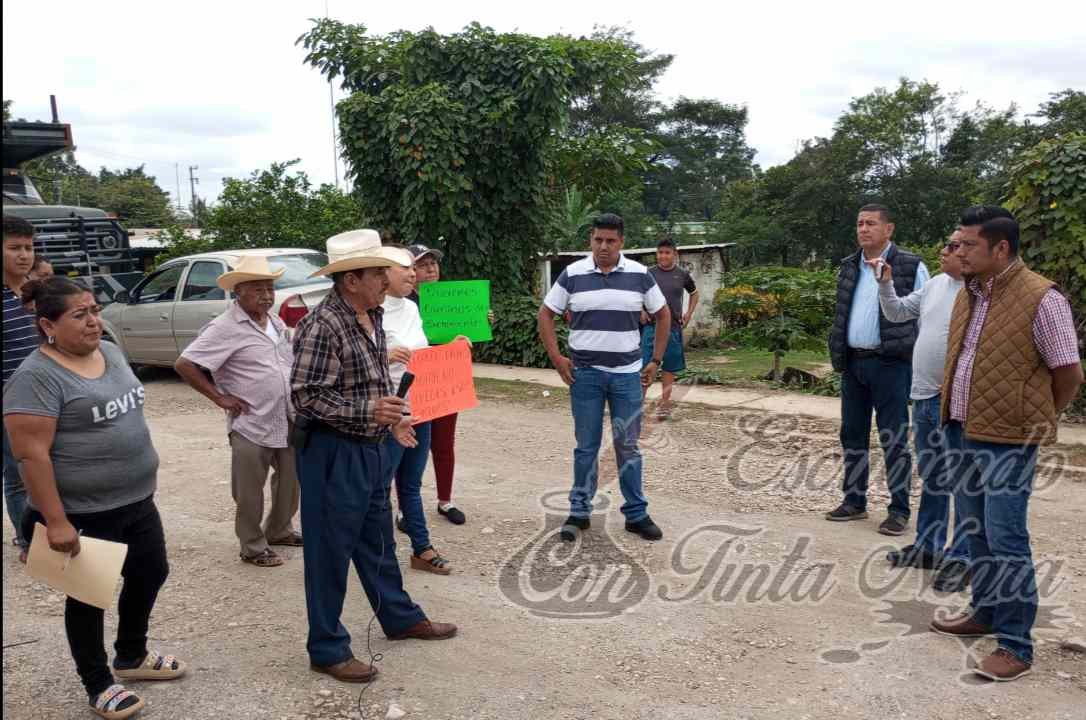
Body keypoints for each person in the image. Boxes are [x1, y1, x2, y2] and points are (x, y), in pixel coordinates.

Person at [4, 276, 185, 720]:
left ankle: (131, 655)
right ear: (48, 325)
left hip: (137, 499)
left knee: (151, 571)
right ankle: (98, 682)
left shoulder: (111, 351)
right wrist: (56, 520)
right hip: (83, 512)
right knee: (89, 597)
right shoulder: (35, 378)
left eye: (95, 310)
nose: (93, 321)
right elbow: (31, 457)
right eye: (80, 315)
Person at [291, 229, 456, 684]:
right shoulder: (321, 325)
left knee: (378, 539)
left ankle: (400, 617)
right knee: (329, 552)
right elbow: (305, 398)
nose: (388, 278)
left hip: (371, 447)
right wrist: (370, 411)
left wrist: (393, 419)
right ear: (350, 279)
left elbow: (374, 381)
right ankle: (326, 647)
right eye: (378, 271)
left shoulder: (373, 314)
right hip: (330, 453)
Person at [930, 210, 1082, 682]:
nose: (958, 253)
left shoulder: (1042, 298)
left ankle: (1016, 645)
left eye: (968, 246)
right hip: (961, 428)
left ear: (1000, 249)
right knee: (975, 531)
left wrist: (1034, 419)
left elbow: (1068, 373)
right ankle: (986, 611)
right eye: (956, 245)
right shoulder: (968, 295)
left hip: (1008, 439)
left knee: (1007, 538)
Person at [538, 213, 670, 543]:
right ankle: (579, 512)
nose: (603, 247)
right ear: (590, 241)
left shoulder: (640, 275)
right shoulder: (572, 274)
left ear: (621, 242)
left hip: (628, 377)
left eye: (610, 241)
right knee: (586, 447)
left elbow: (663, 314)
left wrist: (655, 360)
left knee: (628, 446)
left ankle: (636, 514)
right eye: (598, 240)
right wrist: (556, 358)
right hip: (585, 377)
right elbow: (546, 314)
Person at [174, 255, 302, 568]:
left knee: (291, 480)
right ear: (238, 292)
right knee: (249, 490)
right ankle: (253, 546)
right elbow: (185, 364)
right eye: (257, 289)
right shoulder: (224, 327)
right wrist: (219, 397)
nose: (267, 295)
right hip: (251, 421)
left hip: (286, 416)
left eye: (270, 288)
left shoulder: (274, 321)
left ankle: (279, 530)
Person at [874, 231, 970, 591]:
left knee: (963, 483)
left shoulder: (978, 293)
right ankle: (928, 547)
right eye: (944, 244)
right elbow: (897, 311)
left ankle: (962, 556)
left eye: (953, 246)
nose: (943, 250)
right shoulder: (935, 286)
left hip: (958, 401)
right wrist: (884, 285)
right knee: (933, 476)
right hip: (926, 396)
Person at [826, 204, 929, 535]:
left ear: (889, 229)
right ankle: (854, 501)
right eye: (859, 223)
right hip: (854, 362)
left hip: (891, 364)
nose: (863, 229)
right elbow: (842, 313)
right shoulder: (849, 266)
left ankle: (898, 509)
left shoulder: (911, 266)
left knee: (894, 437)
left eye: (871, 223)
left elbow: (925, 316)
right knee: (852, 434)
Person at [382, 246, 451, 574]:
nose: (413, 274)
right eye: (404, 268)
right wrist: (384, 355)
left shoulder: (411, 308)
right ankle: (379, 552)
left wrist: (457, 346)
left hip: (420, 407)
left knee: (410, 483)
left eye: (414, 268)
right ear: (383, 273)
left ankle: (421, 548)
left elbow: (426, 354)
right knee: (380, 486)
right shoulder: (371, 311)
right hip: (387, 413)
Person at [405, 243, 468, 525]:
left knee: (444, 443)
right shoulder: (402, 304)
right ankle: (407, 507)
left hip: (447, 380)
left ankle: (446, 501)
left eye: (433, 263)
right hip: (417, 382)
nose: (431, 269)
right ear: (411, 271)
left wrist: (478, 322)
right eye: (423, 264)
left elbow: (464, 340)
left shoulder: (452, 300)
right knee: (411, 447)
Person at [2, 214, 39, 559]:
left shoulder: (38, 293)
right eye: (14, 248)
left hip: (49, 398)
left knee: (52, 468)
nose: (24, 254)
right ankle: (28, 541)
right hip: (9, 405)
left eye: (28, 247)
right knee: (17, 476)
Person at [641, 237, 698, 420]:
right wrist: (641, 310)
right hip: (651, 328)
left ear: (675, 254)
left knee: (669, 369)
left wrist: (688, 314)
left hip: (673, 328)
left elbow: (694, 294)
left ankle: (665, 404)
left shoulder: (682, 274)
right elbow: (637, 293)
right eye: (660, 252)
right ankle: (637, 405)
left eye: (667, 252)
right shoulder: (648, 273)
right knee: (645, 366)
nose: (663, 256)